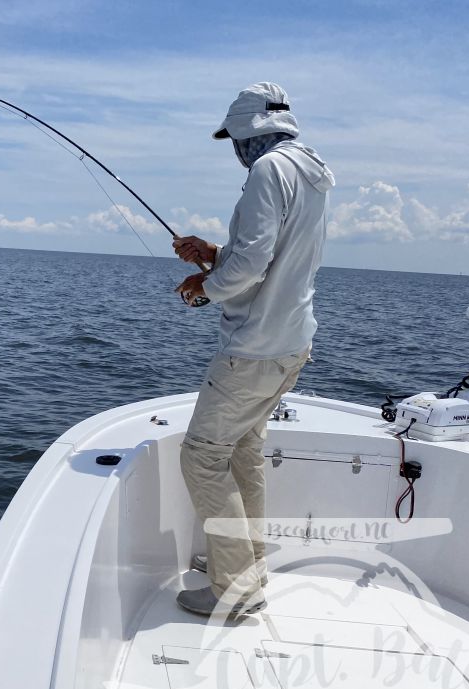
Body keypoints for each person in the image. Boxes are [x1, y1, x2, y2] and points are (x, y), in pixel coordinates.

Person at [172, 82, 335, 619]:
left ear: (249, 132)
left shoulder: (267, 171)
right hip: (291, 342)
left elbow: (252, 266)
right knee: (243, 452)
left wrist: (205, 286)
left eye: (234, 139)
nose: (235, 149)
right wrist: (213, 253)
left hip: (255, 347)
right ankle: (248, 564)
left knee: (201, 455)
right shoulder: (311, 171)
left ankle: (237, 587)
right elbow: (274, 255)